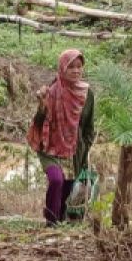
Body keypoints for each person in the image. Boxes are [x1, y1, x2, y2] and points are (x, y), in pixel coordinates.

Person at [26, 48, 96, 225]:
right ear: (62, 68)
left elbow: (88, 125)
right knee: (57, 180)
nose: (76, 71)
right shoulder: (51, 92)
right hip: (50, 147)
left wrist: (86, 147)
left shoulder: (87, 94)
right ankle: (51, 222)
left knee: (69, 186)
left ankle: (63, 220)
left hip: (74, 148)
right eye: (71, 67)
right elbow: (40, 120)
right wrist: (42, 105)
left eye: (79, 67)